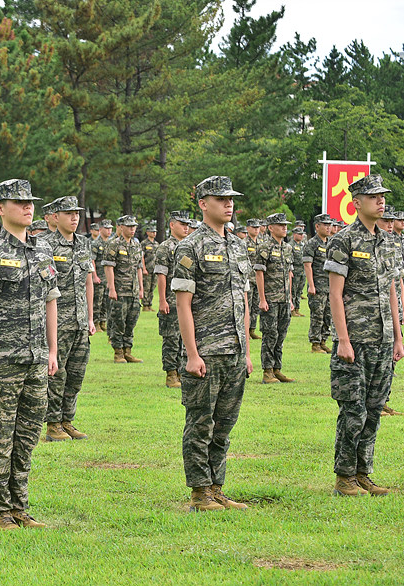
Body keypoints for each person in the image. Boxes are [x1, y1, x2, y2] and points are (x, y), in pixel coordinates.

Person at [0, 178, 59, 530]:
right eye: (19, 202)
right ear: (0, 208)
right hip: (0, 360)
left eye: (31, 202)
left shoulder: (42, 251)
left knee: (27, 436)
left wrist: (51, 350)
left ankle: (20, 507)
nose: (27, 207)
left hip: (36, 359)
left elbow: (52, 301)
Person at [171, 176, 253, 512]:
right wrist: (192, 353)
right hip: (205, 351)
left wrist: (246, 350)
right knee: (200, 424)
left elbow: (242, 301)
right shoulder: (190, 247)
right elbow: (183, 303)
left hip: (233, 351)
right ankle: (200, 491)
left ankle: (217, 487)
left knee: (224, 425)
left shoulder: (237, 245)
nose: (228, 204)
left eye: (231, 198)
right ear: (203, 203)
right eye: (220, 199)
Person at [324, 174, 404, 496]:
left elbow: (390, 292)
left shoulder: (387, 241)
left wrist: (397, 337)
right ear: (356, 202)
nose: (380, 201)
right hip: (355, 340)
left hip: (383, 340)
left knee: (373, 410)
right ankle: (344, 477)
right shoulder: (343, 240)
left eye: (382, 196)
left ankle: (363, 473)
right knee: (353, 410)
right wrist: (343, 340)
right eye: (373, 197)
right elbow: (335, 294)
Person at [44, 196, 94, 442]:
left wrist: (91, 318)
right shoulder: (45, 245)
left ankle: (67, 420)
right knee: (57, 374)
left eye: (76, 213)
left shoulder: (84, 244)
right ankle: (53, 424)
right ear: (55, 217)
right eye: (68, 213)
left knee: (76, 375)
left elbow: (88, 282)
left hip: (80, 322)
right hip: (57, 322)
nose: (74, 218)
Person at [255, 213, 295, 384]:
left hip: (284, 299)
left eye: (285, 225)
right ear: (271, 228)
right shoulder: (264, 248)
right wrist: (262, 299)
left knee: (281, 335)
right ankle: (267, 370)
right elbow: (259, 273)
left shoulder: (287, 248)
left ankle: (277, 368)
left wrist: (291, 298)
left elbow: (290, 275)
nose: (284, 228)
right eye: (280, 225)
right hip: (270, 299)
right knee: (269, 335)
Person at [154, 211, 192, 388]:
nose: (186, 227)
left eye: (187, 224)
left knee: (185, 337)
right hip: (171, 299)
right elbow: (162, 275)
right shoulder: (165, 247)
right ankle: (171, 373)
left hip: (187, 301)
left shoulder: (189, 245)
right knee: (171, 338)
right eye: (181, 224)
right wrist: (162, 300)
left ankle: (182, 371)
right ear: (171, 225)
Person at [103, 215, 144, 364]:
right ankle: (118, 352)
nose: (132, 229)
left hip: (133, 290)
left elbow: (139, 267)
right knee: (118, 321)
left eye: (134, 226)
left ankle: (128, 351)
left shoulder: (136, 245)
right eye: (129, 226)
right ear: (121, 227)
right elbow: (108, 267)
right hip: (120, 290)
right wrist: (112, 288)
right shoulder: (114, 244)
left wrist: (141, 288)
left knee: (131, 321)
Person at [304, 214, 334, 353]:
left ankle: (323, 341)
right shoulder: (312, 243)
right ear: (317, 226)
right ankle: (315, 344)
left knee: (328, 315)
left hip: (330, 287)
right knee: (317, 315)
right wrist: (311, 285)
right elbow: (307, 265)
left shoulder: (331, 243)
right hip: (317, 287)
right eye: (325, 225)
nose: (329, 227)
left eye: (330, 225)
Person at [245, 219, 262, 340]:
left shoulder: (261, 243)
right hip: (248, 278)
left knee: (256, 306)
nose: (256, 229)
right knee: (248, 305)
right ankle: (245, 330)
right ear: (248, 228)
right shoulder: (243, 243)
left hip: (258, 279)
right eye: (253, 227)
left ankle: (252, 329)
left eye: (258, 227)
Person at [289, 226, 307, 317]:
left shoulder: (303, 245)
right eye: (299, 234)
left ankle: (297, 309)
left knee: (299, 291)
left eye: (302, 234)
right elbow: (289, 259)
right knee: (293, 291)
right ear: (294, 234)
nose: (301, 236)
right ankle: (292, 310)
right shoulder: (291, 245)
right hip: (295, 271)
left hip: (302, 271)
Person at [141, 224, 159, 311]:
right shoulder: (144, 243)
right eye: (152, 232)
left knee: (152, 287)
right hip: (147, 269)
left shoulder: (156, 244)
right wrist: (143, 268)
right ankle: (145, 305)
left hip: (154, 269)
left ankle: (149, 304)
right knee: (146, 287)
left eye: (155, 232)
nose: (154, 233)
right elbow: (142, 257)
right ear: (147, 232)